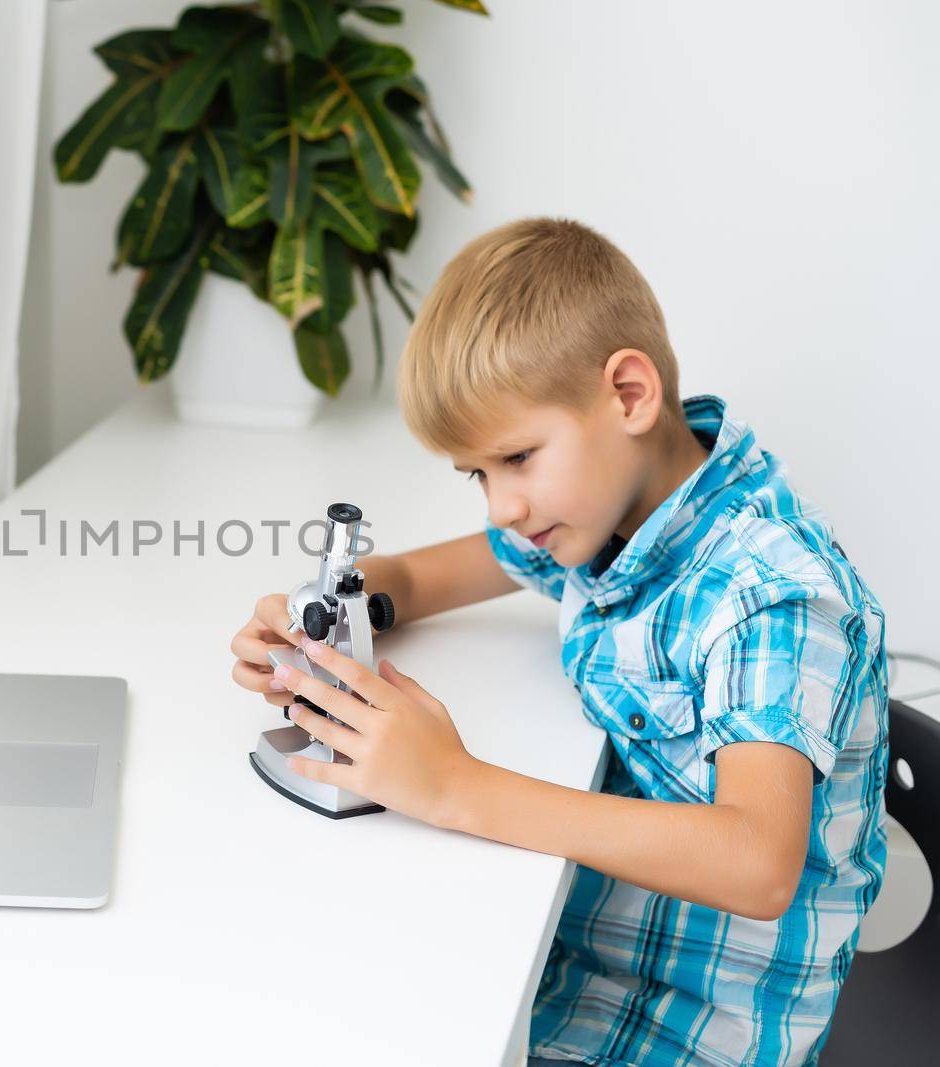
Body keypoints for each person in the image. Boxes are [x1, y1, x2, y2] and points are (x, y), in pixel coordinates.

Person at [229, 218, 887, 1066]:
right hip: (577, 959)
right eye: (479, 475)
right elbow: (420, 578)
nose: (501, 507)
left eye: (517, 458)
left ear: (628, 396)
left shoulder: (769, 593)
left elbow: (757, 862)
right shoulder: (604, 515)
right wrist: (324, 612)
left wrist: (455, 784)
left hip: (685, 1033)